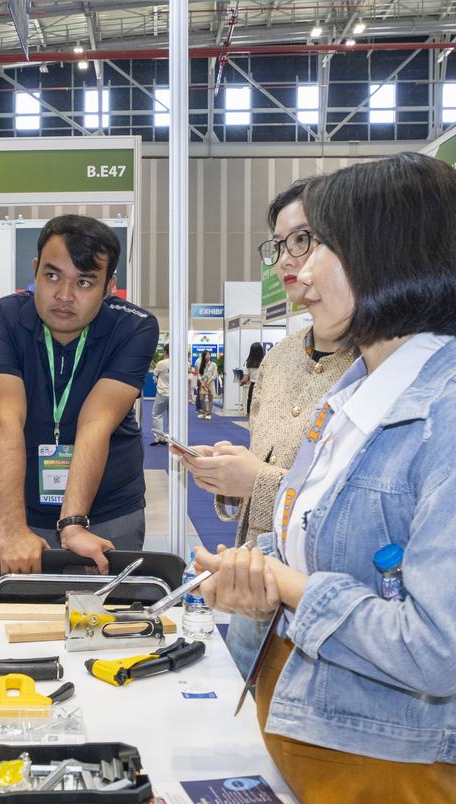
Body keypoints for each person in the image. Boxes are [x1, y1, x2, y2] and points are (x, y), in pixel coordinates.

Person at [195, 153, 456, 804]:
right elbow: (323, 544)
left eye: (321, 245)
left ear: (390, 256)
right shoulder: (356, 394)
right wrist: (254, 568)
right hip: (300, 718)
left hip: (378, 765)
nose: (299, 272)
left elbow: (441, 648)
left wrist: (288, 584)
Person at [181, 179, 357, 675]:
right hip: (255, 584)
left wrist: (255, 481)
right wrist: (227, 474)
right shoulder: (279, 359)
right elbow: (267, 457)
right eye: (279, 245)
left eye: (302, 240)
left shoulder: (375, 365)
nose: (286, 260)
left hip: (333, 609)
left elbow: (356, 504)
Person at [0, 214, 159, 574]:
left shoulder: (134, 327)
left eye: (85, 282)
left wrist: (74, 523)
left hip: (109, 513)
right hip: (21, 512)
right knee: (8, 609)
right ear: (35, 270)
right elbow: (5, 420)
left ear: (109, 287)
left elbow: (97, 422)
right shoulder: (2, 318)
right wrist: (12, 531)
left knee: (108, 611)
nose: (64, 295)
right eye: (52, 276)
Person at [150, 344, 171, 445]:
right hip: (174, 395)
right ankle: (173, 438)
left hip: (162, 392)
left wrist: (157, 381)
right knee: (172, 416)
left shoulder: (161, 363)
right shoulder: (179, 363)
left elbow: (155, 376)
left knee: (157, 414)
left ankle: (159, 437)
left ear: (165, 352)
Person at [196, 351, 217, 419]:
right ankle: (205, 413)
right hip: (203, 383)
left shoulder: (213, 364)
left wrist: (209, 381)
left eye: (209, 355)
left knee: (210, 398)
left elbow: (214, 375)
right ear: (203, 356)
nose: (208, 356)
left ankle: (209, 414)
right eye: (206, 355)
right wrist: (201, 382)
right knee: (202, 398)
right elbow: (199, 374)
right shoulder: (201, 364)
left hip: (210, 383)